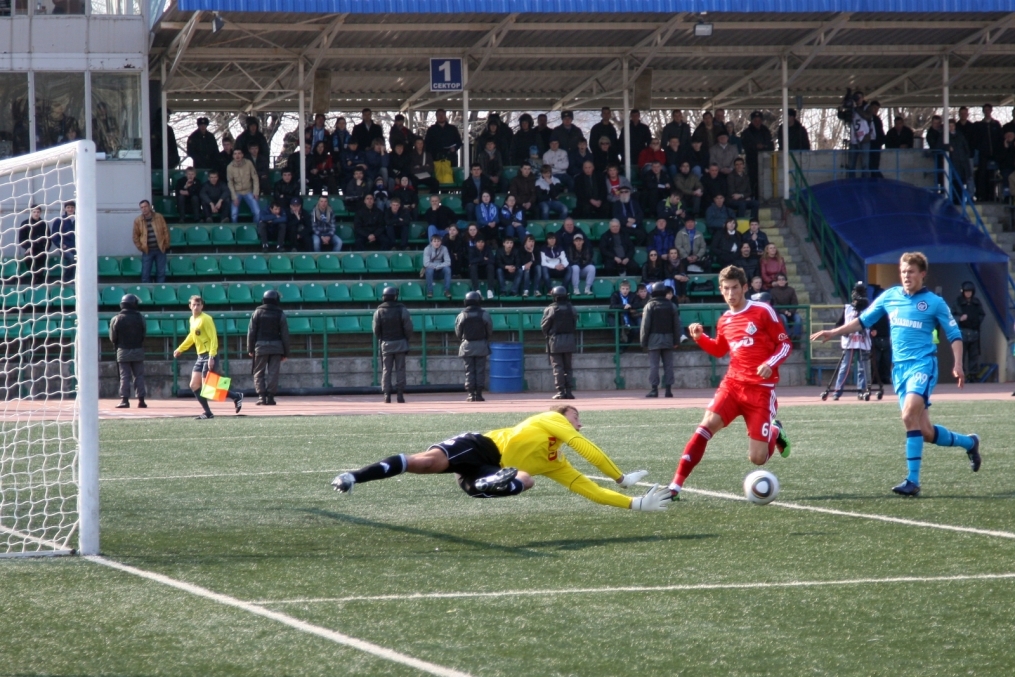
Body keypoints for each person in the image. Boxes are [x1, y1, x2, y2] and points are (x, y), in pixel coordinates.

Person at [811, 252, 981, 496]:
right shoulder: (890, 296)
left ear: (922, 274)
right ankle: (970, 442)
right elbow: (863, 321)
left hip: (922, 365)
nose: (906, 276)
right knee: (924, 431)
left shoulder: (934, 302)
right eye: (903, 272)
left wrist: (958, 364)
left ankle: (912, 482)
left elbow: (954, 335)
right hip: (899, 369)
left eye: (911, 272)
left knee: (908, 414)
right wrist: (834, 332)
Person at [331, 404, 669, 511]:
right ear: (562, 415)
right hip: (481, 446)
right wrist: (621, 478)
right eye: (575, 416)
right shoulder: (551, 419)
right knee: (425, 463)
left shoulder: (556, 461)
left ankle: (489, 482)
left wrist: (634, 504)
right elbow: (586, 447)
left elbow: (586, 489)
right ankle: (354, 477)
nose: (579, 422)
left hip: (491, 469)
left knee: (526, 479)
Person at [667, 265, 793, 500]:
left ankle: (775, 431)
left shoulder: (763, 311)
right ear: (721, 290)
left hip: (760, 391)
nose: (731, 293)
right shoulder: (724, 320)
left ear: (744, 287)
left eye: (735, 288)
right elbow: (719, 350)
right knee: (704, 428)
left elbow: (785, 344)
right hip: (732, 386)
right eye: (726, 289)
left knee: (757, 459)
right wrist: (700, 338)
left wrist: (770, 363)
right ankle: (675, 486)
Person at [173, 295, 243, 420]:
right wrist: (180, 348)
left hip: (209, 354)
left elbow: (213, 338)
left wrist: (211, 356)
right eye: (194, 305)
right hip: (200, 356)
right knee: (194, 385)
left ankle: (235, 395)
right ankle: (208, 412)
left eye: (198, 305)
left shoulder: (206, 319)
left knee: (208, 387)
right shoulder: (192, 319)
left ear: (202, 306)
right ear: (189, 306)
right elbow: (192, 336)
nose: (196, 307)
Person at [247, 289, 290, 406]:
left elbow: (251, 332)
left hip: (260, 347)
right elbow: (285, 334)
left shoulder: (257, 312)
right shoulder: (280, 313)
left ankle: (261, 397)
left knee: (258, 372)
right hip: (276, 347)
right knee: (273, 372)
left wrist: (250, 349)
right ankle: (270, 397)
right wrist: (286, 353)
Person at [830, 283, 872, 401]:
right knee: (845, 367)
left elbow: (873, 324)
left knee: (862, 368)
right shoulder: (847, 308)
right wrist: (845, 332)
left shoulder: (869, 309)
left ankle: (861, 391)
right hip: (849, 342)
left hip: (863, 342)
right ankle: (837, 391)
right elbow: (838, 324)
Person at [641, 282, 682, 398]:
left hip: (653, 340)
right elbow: (676, 325)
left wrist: (643, 341)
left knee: (654, 365)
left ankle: (654, 390)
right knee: (668, 365)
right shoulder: (671, 306)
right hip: (669, 339)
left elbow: (645, 326)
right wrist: (676, 341)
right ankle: (668, 390)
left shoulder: (650, 306)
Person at [373, 286, 413, 403]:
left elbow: (376, 329)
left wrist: (382, 338)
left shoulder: (379, 311)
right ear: (395, 296)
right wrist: (406, 338)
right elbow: (408, 327)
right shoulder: (402, 309)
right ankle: (400, 394)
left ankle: (386, 395)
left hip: (386, 344)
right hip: (400, 342)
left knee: (386, 370)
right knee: (400, 369)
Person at [110, 293, 147, 409]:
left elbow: (112, 337)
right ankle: (141, 400)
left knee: (124, 376)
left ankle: (124, 400)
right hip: (138, 349)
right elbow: (143, 334)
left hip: (122, 350)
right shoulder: (140, 317)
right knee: (139, 376)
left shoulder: (116, 318)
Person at [456, 291, 493, 402]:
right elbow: (489, 330)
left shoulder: (462, 315)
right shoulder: (484, 314)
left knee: (469, 370)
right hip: (481, 345)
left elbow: (458, 332)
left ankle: (471, 394)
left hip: (467, 345)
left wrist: (463, 339)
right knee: (480, 370)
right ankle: (479, 394)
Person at [542, 286, 578, 400]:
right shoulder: (571, 308)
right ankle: (569, 391)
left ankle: (561, 391)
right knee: (568, 367)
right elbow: (574, 323)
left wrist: (549, 334)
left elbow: (544, 326)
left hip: (555, 341)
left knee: (558, 367)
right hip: (569, 340)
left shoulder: (551, 309)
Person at [953, 281, 985, 379]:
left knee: (974, 356)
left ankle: (973, 375)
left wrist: (976, 321)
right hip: (962, 332)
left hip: (974, 332)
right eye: (966, 291)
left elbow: (982, 314)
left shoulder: (976, 302)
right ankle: (961, 375)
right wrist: (959, 318)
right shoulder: (958, 302)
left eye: (970, 291)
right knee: (961, 355)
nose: (968, 293)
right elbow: (951, 315)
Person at [132, 200, 169, 284]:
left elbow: (165, 231)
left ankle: (160, 291)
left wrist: (166, 244)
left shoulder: (159, 217)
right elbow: (135, 236)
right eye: (142, 207)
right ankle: (146, 291)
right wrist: (141, 247)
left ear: (149, 206)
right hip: (147, 250)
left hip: (160, 249)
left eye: (145, 206)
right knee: (145, 273)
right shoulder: (137, 220)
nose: (144, 209)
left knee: (161, 272)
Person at [226, 148, 260, 223]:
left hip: (249, 191)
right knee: (233, 214)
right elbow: (230, 183)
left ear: (242, 155)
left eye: (239, 153)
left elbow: (255, 178)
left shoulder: (249, 163)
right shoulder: (229, 167)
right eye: (235, 154)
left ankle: (256, 230)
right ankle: (235, 231)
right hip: (237, 192)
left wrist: (256, 192)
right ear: (233, 156)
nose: (237, 156)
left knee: (257, 212)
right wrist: (234, 197)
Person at [18, 204, 49, 285]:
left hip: (41, 249)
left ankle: (39, 278)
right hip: (30, 248)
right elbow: (21, 239)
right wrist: (28, 247)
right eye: (34, 212)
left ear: (40, 213)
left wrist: (46, 249)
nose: (36, 214)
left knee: (42, 261)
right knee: (28, 258)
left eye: (38, 212)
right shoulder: (25, 223)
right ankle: (35, 277)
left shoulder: (44, 224)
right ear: (30, 212)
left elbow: (49, 239)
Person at [769, 274, 802, 341]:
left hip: (791, 312)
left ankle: (796, 336)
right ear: (777, 282)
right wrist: (785, 311)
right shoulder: (773, 291)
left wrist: (790, 311)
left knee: (798, 319)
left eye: (783, 279)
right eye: (779, 280)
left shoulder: (791, 290)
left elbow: (795, 303)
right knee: (784, 319)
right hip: (780, 312)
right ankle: (788, 335)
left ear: (786, 281)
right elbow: (775, 304)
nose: (781, 281)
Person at [49, 200, 76, 282]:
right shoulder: (59, 221)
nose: (70, 209)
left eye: (72, 207)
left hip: (77, 248)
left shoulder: (80, 220)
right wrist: (61, 245)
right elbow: (54, 235)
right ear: (65, 209)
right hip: (65, 248)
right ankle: (66, 278)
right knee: (72, 258)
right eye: (68, 207)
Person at [423, 234, 453, 299]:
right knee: (429, 270)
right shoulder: (427, 249)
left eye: (438, 241)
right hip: (431, 269)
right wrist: (436, 266)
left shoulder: (444, 248)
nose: (437, 243)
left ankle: (447, 290)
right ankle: (430, 291)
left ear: (441, 242)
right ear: (431, 242)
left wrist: (439, 266)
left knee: (448, 269)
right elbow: (426, 263)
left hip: (441, 268)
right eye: (434, 241)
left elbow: (448, 262)